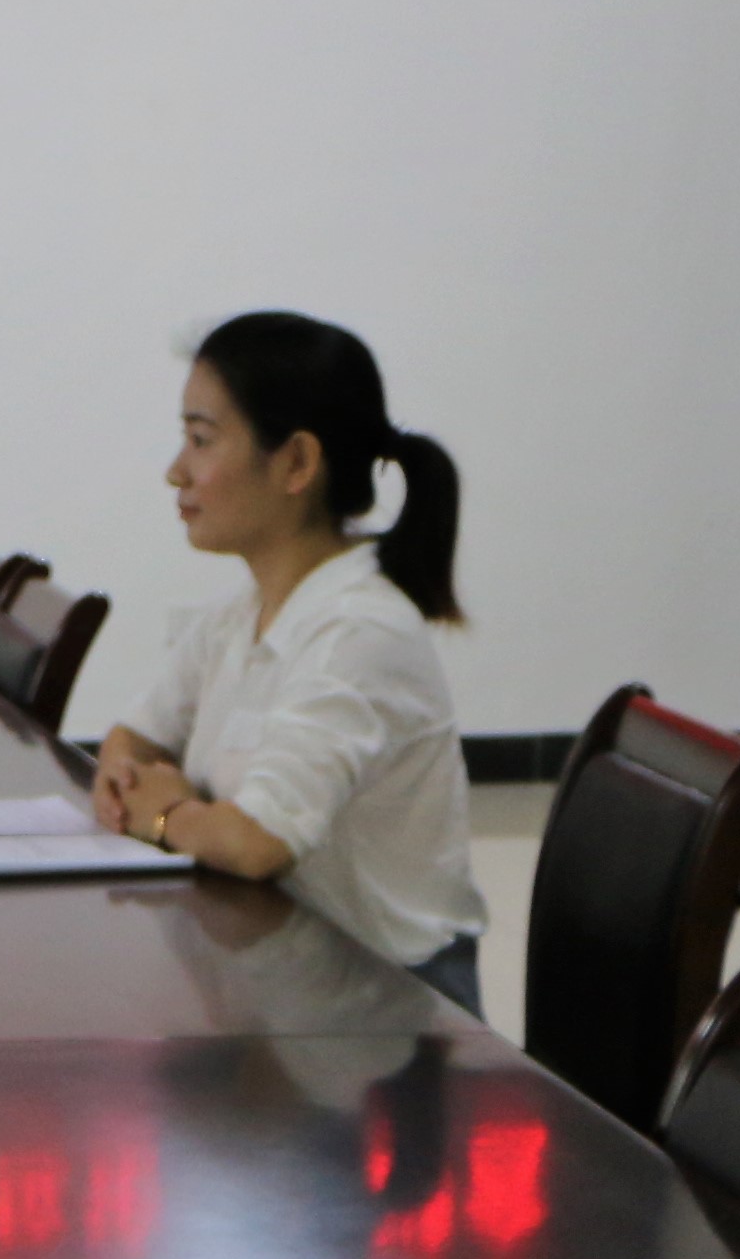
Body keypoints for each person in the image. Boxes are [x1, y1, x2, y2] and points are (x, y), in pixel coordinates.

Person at [88, 310, 486, 1010]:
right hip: (282, 977)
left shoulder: (359, 632)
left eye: (201, 440)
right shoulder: (242, 614)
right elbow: (132, 739)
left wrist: (163, 816)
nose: (176, 471)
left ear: (297, 462)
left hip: (389, 1013)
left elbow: (258, 844)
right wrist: (130, 782)